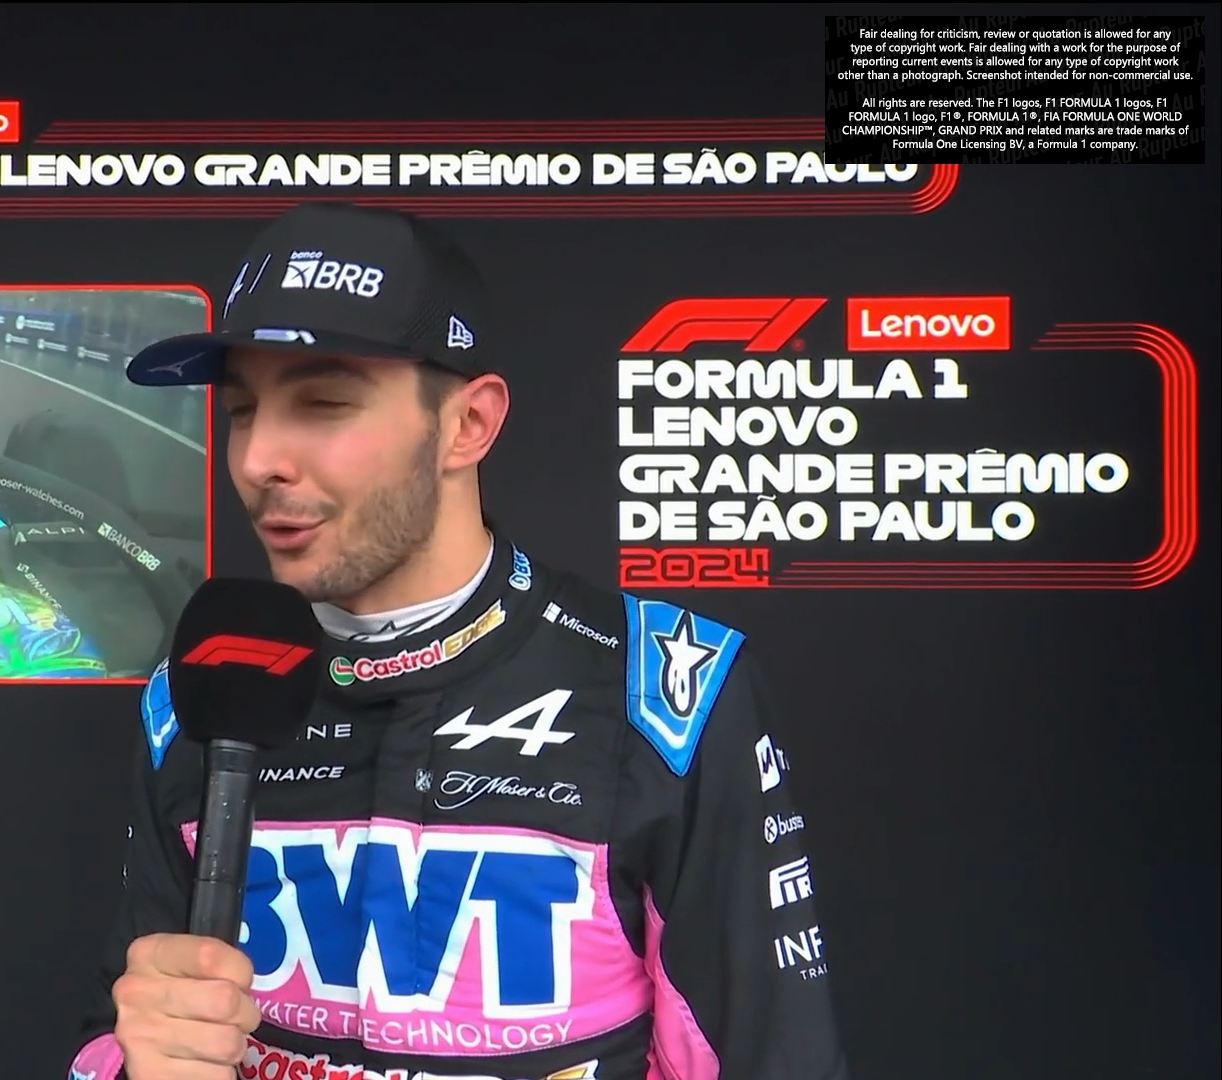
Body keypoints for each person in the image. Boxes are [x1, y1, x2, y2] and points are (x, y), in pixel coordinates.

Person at [66, 202, 850, 1080]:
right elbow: (115, 1032)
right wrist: (134, 1065)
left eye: (323, 404)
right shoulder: (201, 691)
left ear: (468, 425)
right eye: (244, 410)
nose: (257, 460)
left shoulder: (668, 693)